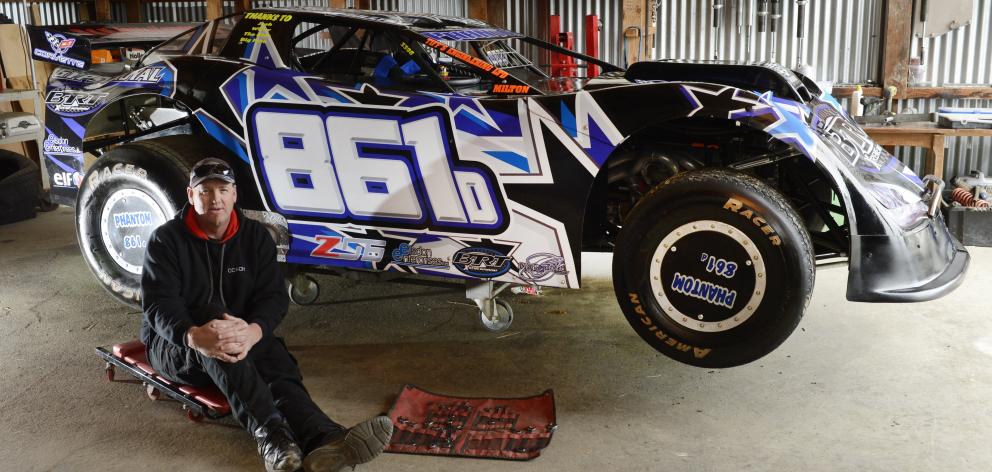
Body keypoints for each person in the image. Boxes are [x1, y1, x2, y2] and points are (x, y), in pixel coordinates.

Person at [140, 157, 392, 472]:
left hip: (240, 338)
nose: (214, 198)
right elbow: (157, 305)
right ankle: (273, 437)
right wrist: (193, 335)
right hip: (175, 347)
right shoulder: (166, 240)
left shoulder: (255, 237)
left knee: (273, 357)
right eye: (205, 191)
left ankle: (324, 438)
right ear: (191, 196)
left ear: (234, 194)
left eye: (222, 189)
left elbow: (272, 297)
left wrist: (254, 332)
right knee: (216, 326)